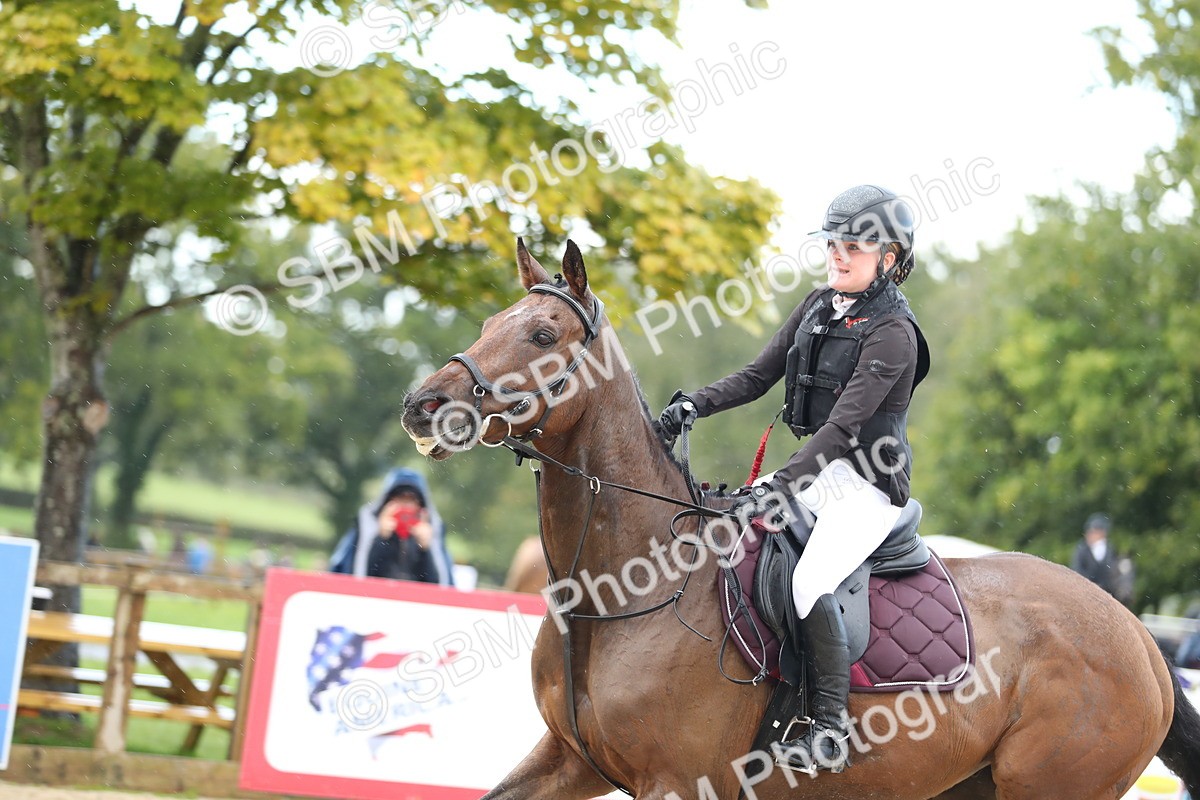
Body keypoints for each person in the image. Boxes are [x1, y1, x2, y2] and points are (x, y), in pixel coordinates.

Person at [657, 185, 929, 773]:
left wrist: (783, 484)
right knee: (733, 543)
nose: (838, 254)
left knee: (810, 583)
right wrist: (694, 406)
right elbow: (757, 376)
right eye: (833, 243)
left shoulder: (894, 335)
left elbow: (840, 429)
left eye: (854, 246)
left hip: (869, 485)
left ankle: (829, 727)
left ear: (889, 258)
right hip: (823, 473)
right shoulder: (816, 304)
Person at [329, 467, 455, 586]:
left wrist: (426, 549)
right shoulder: (366, 526)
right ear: (386, 502)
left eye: (411, 500)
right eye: (400, 498)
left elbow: (439, 584)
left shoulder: (433, 530)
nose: (405, 506)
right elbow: (358, 574)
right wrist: (380, 538)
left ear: (421, 506)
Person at [1070, 513, 1133, 605]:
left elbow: (1116, 574)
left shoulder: (1112, 551)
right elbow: (1077, 571)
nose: (1090, 535)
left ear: (1103, 533)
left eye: (1094, 532)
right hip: (1085, 595)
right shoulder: (1081, 551)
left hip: (1109, 596)